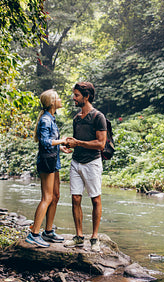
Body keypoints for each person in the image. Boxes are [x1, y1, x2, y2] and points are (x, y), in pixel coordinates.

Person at [64, 82, 107, 252]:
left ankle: (94, 238)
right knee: (75, 199)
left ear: (86, 96)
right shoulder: (76, 118)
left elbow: (101, 144)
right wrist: (71, 146)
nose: (73, 98)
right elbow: (78, 141)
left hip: (92, 163)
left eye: (76, 95)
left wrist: (79, 143)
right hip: (76, 162)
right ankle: (79, 236)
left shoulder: (98, 117)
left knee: (95, 199)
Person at [26, 89, 71, 248]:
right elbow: (45, 143)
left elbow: (51, 143)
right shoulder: (46, 120)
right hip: (46, 162)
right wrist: (62, 141)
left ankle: (48, 231)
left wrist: (60, 147)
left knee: (56, 195)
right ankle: (34, 234)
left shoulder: (51, 118)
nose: (60, 100)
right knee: (47, 197)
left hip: (53, 160)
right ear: (52, 102)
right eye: (58, 98)